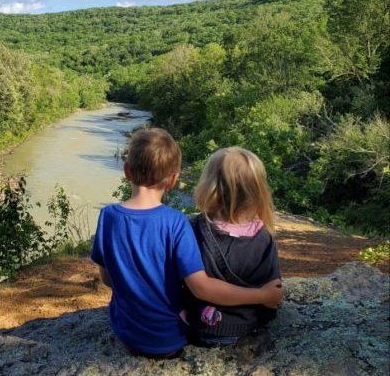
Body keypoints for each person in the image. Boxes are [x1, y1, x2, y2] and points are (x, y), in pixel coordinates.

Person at [91, 129, 283, 357]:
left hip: (128, 332)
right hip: (173, 338)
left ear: (126, 171)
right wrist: (262, 295)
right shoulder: (177, 223)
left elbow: (108, 279)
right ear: (173, 179)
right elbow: (202, 286)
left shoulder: (108, 216)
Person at [182, 146, 281, 347]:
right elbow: (274, 291)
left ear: (209, 187)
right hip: (246, 327)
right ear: (258, 192)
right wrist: (263, 297)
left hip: (198, 325)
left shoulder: (192, 228)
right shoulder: (264, 237)